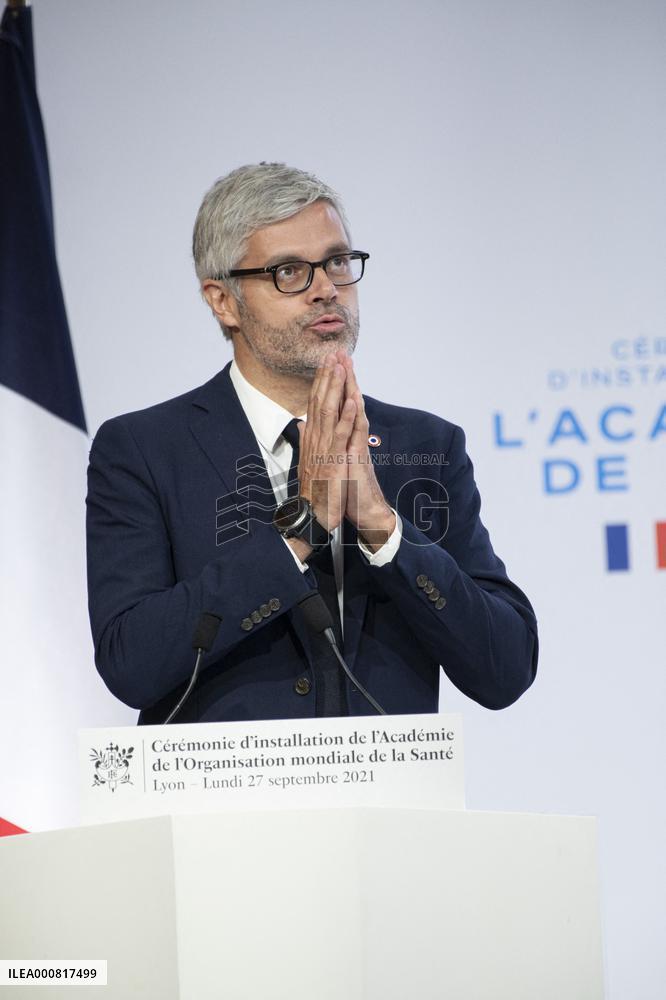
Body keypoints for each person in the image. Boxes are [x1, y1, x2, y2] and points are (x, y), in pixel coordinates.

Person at [86, 163, 538, 724]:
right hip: (221, 801)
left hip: (388, 804)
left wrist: (383, 525)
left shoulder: (427, 444)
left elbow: (505, 668)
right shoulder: (144, 450)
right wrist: (303, 526)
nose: (326, 288)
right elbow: (132, 661)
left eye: (337, 263)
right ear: (223, 300)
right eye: (289, 271)